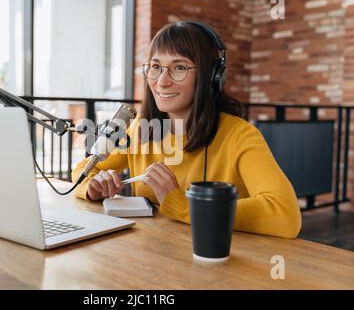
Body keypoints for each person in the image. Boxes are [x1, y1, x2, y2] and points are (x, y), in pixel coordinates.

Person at [72, 21, 301, 239]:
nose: (162, 82)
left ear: (211, 77)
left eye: (179, 67)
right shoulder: (141, 129)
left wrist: (182, 205)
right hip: (152, 258)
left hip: (218, 260)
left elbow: (285, 215)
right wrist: (94, 187)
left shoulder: (240, 136)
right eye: (155, 67)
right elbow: (84, 170)